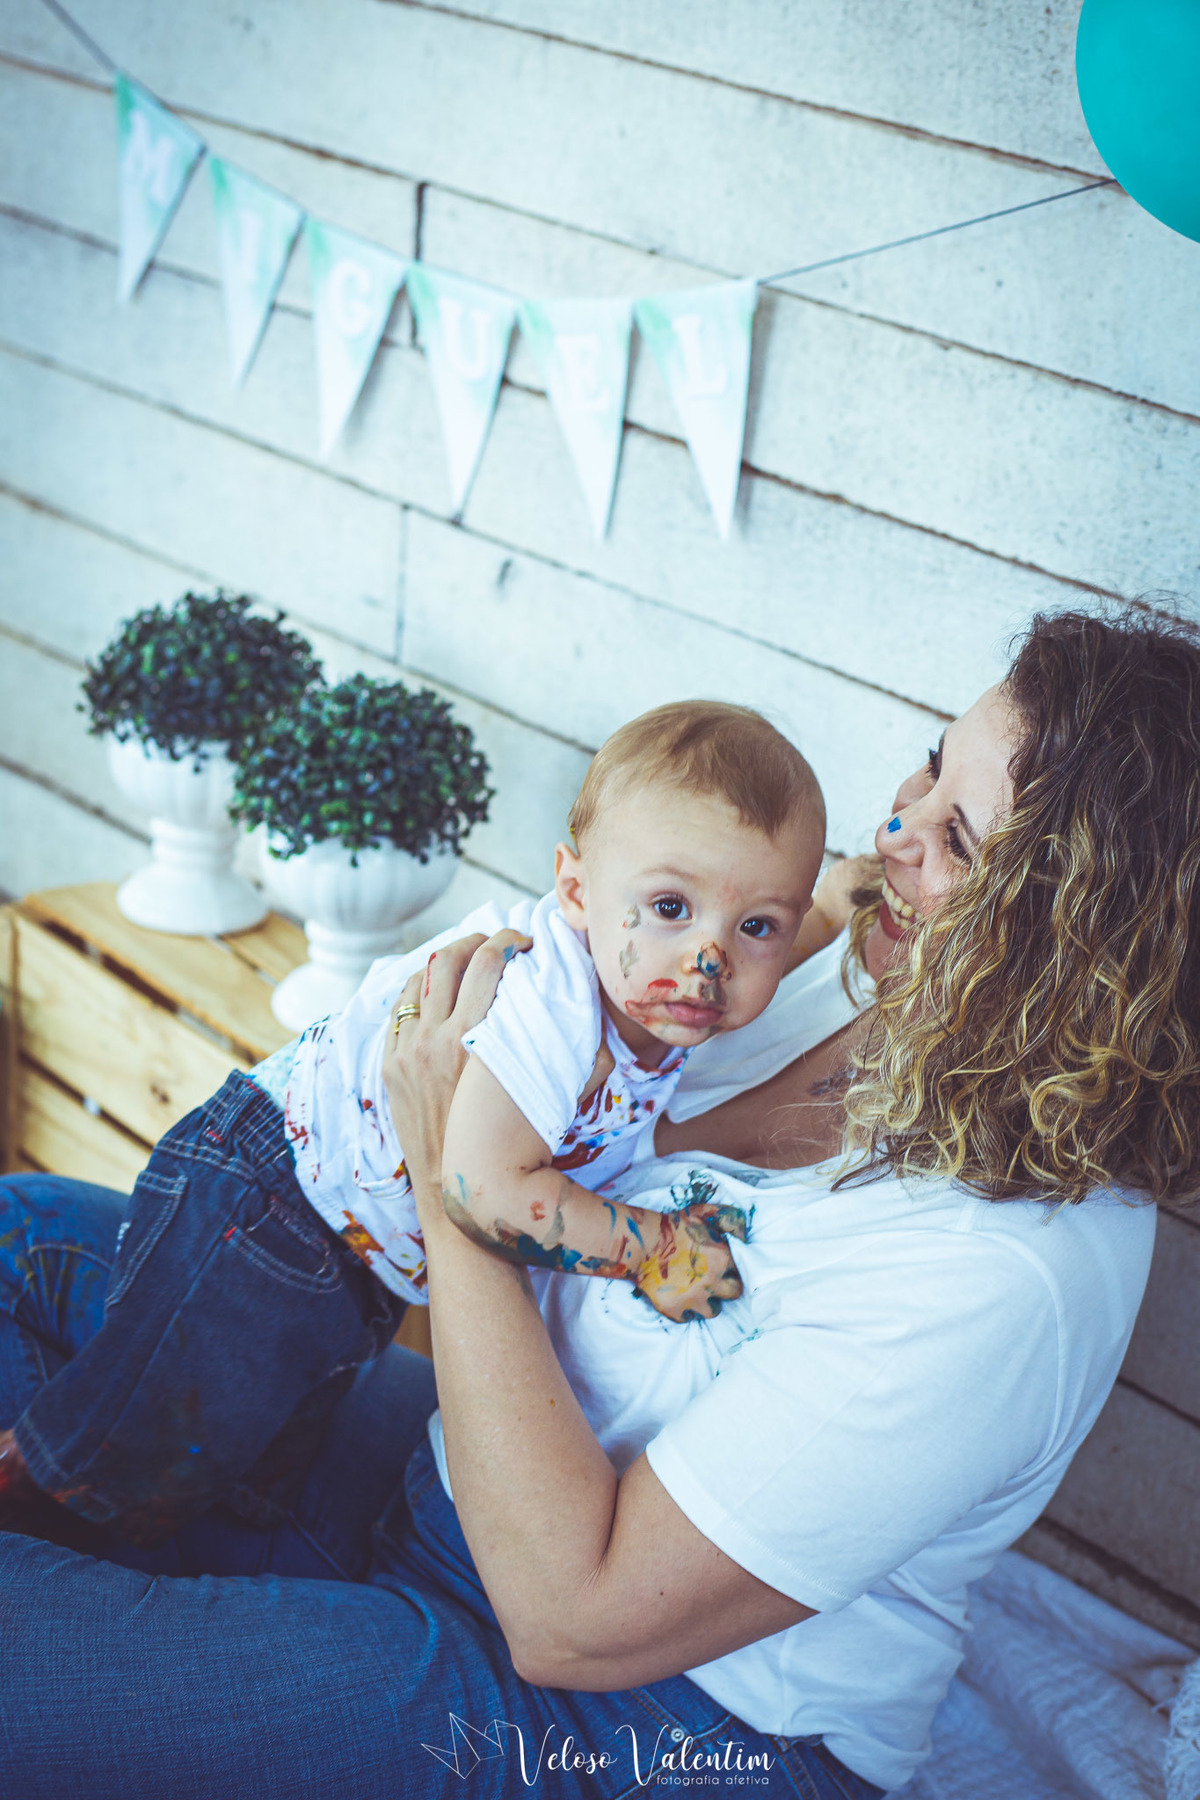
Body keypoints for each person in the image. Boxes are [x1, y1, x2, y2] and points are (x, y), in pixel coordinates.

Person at [0, 605, 1195, 1800]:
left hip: (650, 1719)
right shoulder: (864, 972)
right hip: (470, 1490)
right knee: (26, 1238)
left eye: (962, 843)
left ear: (1072, 947)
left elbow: (573, 1620)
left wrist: (448, 1167)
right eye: (929, 767)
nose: (893, 834)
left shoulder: (1011, 1274)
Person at [0, 699, 825, 1549]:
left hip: (351, 1250)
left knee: (236, 1465)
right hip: (270, 1204)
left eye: (756, 926)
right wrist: (652, 1247)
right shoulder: (553, 998)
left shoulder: (655, 1010)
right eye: (668, 907)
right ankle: (32, 1518)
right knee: (132, 1452)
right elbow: (482, 1187)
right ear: (576, 891)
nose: (708, 960)